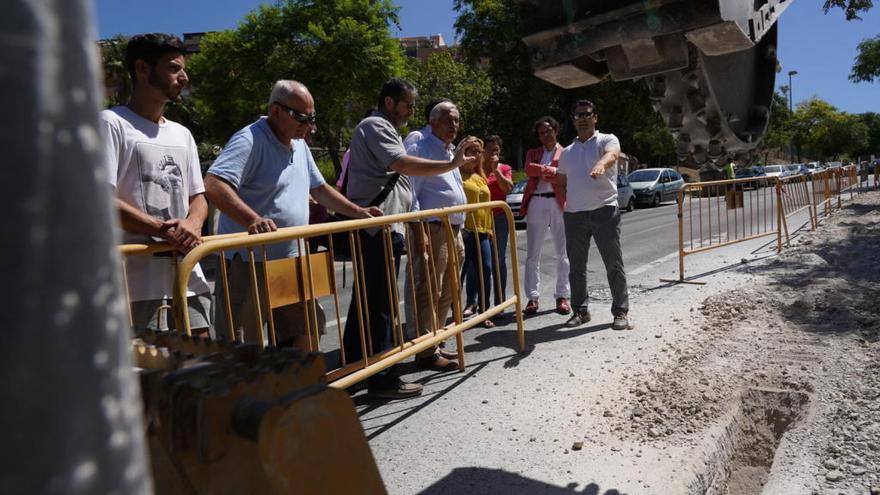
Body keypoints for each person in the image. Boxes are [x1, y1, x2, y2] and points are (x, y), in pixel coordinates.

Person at [205, 80, 381, 349]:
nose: (309, 125)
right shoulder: (249, 139)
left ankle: (299, 389)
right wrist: (252, 220)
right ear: (276, 111)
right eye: (301, 117)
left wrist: (357, 212)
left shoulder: (300, 145)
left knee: (306, 328)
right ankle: (249, 391)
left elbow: (320, 189)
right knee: (242, 340)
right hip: (249, 260)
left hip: (291, 257)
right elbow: (215, 184)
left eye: (312, 117)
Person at [342, 78, 478, 399]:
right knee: (383, 303)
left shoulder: (384, 128)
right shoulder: (376, 125)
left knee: (369, 300)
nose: (411, 111)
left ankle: (356, 367)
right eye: (408, 105)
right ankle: (383, 377)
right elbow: (401, 165)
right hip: (379, 226)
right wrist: (451, 164)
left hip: (385, 226)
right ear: (389, 102)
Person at [101, 33, 212, 333]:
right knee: (150, 376)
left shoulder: (182, 134)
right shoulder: (111, 124)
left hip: (190, 278)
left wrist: (193, 225)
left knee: (202, 367)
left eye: (183, 69)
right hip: (136, 286)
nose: (184, 77)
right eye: (174, 68)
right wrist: (163, 230)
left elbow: (199, 197)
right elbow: (100, 199)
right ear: (142, 69)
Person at [557, 99, 631, 331]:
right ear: (573, 119)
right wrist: (565, 204)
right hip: (575, 214)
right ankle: (580, 310)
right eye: (578, 115)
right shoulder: (567, 152)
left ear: (595, 117)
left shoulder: (606, 139)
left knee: (613, 263)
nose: (582, 118)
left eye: (587, 114)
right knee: (576, 267)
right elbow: (560, 181)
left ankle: (621, 311)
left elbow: (612, 154)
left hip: (604, 211)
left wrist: (601, 165)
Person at [404, 101, 467, 370]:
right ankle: (425, 350)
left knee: (447, 290)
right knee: (428, 288)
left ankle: (437, 340)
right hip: (432, 227)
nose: (454, 125)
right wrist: (419, 229)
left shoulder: (449, 150)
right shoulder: (421, 143)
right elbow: (411, 189)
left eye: (456, 120)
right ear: (432, 121)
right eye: (448, 120)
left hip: (453, 228)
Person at [521, 116, 571, 316]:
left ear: (556, 130)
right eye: (541, 133)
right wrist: (549, 170)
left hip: (559, 203)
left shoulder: (567, 152)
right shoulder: (533, 152)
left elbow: (566, 174)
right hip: (537, 201)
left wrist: (544, 172)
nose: (545, 135)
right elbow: (528, 169)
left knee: (563, 253)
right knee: (533, 253)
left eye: (548, 131)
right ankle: (533, 297)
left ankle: (562, 295)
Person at [460, 137, 496, 328]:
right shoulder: (455, 174)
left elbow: (487, 206)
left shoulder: (479, 176)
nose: (474, 155)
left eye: (478, 152)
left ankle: (485, 312)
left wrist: (490, 229)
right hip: (464, 231)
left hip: (482, 231)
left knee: (486, 270)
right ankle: (453, 313)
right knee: (458, 274)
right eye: (470, 150)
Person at [483, 135, 514, 309]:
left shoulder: (504, 168)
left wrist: (496, 171)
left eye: (497, 150)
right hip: (480, 218)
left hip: (499, 218)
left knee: (498, 260)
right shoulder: (477, 169)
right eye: (490, 150)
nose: (494, 153)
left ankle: (500, 301)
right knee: (481, 261)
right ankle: (480, 303)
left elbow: (507, 188)